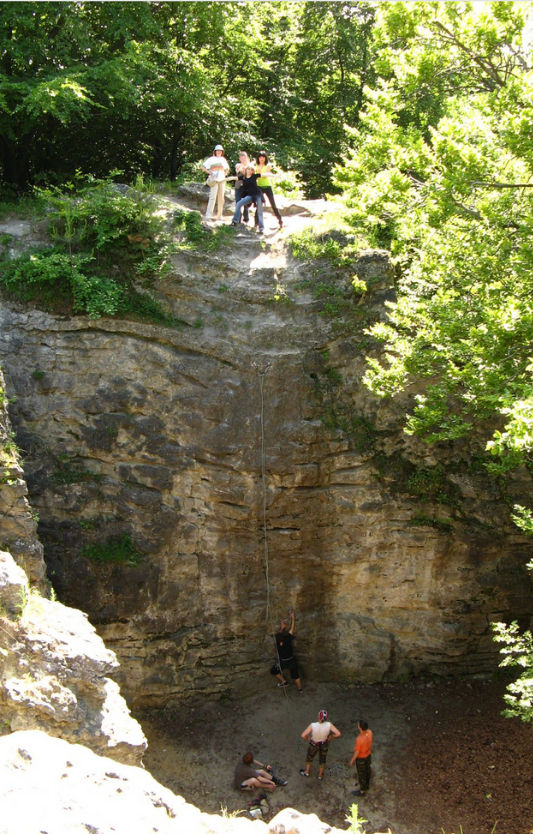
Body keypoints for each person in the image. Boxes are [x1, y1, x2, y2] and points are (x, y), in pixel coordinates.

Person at [300, 709, 341, 781]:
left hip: (314, 744)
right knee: (322, 759)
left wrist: (308, 739)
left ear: (318, 716)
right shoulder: (329, 724)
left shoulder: (313, 725)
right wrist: (331, 737)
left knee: (310, 758)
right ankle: (320, 775)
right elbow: (338, 734)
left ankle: (306, 772)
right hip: (324, 743)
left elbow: (303, 735)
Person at [271, 609, 302, 692]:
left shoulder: (278, 645)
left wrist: (281, 628)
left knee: (274, 671)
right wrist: (292, 617)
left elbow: (280, 637)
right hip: (291, 660)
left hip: (283, 662)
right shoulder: (287, 640)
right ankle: (300, 689)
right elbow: (292, 629)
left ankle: (284, 681)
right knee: (296, 675)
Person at [231, 165, 264, 233]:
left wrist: (275, 176)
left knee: (259, 211)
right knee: (239, 204)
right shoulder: (243, 177)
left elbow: (265, 174)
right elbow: (234, 178)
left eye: (251, 170)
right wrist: (222, 179)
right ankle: (235, 221)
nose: (249, 171)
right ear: (246, 170)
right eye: (248, 169)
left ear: (252, 171)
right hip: (250, 195)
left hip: (258, 195)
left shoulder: (254, 176)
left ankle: (261, 228)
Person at [202, 144, 230, 221]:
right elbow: (202, 166)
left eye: (220, 151)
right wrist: (210, 173)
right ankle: (208, 215)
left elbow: (227, 169)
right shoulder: (211, 159)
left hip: (222, 180)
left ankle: (219, 215)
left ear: (222, 152)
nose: (219, 152)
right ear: (215, 151)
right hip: (214, 180)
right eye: (217, 150)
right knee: (212, 197)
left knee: (221, 198)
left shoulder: (223, 159)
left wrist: (224, 174)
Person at [256, 151, 283, 228]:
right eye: (260, 157)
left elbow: (264, 176)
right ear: (258, 158)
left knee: (273, 204)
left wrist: (260, 172)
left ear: (265, 158)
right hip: (259, 187)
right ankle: (256, 223)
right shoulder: (256, 166)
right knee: (258, 205)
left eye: (263, 157)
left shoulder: (268, 165)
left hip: (267, 186)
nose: (261, 159)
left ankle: (280, 220)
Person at [349, 718, 373, 796]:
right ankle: (367, 781)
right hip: (368, 754)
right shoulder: (369, 732)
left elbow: (357, 752)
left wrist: (352, 760)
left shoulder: (359, 739)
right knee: (367, 768)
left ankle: (362, 790)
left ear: (360, 727)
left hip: (361, 757)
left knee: (361, 773)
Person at [235, 151, 252, 224]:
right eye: (242, 158)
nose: (243, 159)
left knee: (246, 204)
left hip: (247, 186)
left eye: (244, 158)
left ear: (247, 158)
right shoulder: (238, 165)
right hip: (238, 186)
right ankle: (238, 219)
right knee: (238, 202)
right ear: (239, 159)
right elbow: (241, 171)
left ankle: (246, 219)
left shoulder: (250, 166)